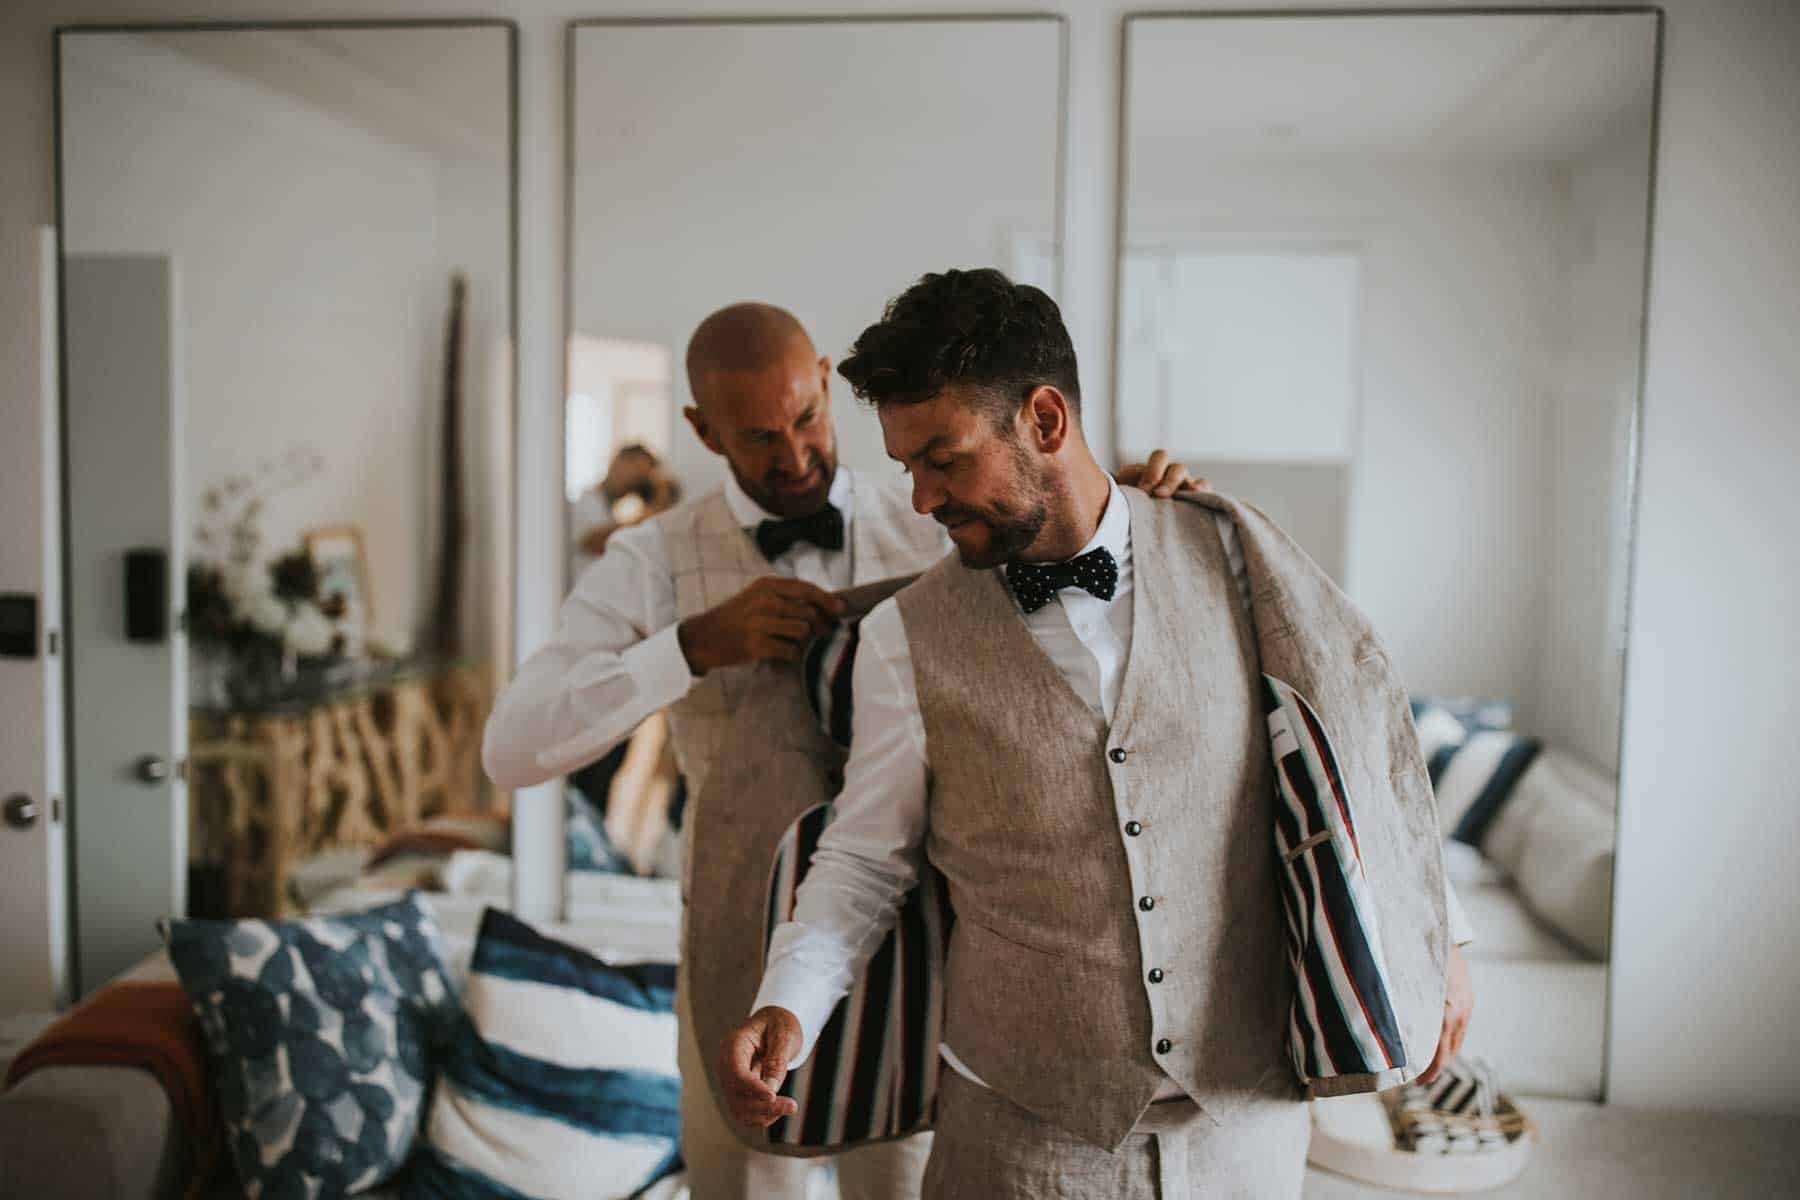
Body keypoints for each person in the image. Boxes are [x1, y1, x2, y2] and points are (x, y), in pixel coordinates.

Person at [718, 270, 1476, 1198]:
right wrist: (786, 1002)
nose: (921, 500)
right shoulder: (901, 640)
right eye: (907, 466)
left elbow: (1354, 748)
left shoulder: (1237, 560)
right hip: (1020, 1137)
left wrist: (1443, 943)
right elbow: (867, 858)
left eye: (944, 459)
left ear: (1044, 419)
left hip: (1247, 1124)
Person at [482, 300, 1204, 1200]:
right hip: (738, 945)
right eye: (756, 438)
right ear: (703, 432)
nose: (793, 458)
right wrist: (691, 646)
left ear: (826, 383)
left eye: (807, 420)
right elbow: (512, 750)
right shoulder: (653, 560)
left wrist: (1133, 511)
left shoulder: (938, 521)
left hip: (926, 949)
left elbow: (1071, 579)